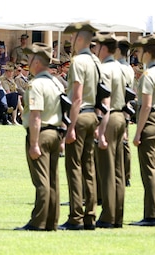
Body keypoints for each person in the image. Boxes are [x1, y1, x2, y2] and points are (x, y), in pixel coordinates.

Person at [15, 42, 65, 231]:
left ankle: (39, 221)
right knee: (53, 179)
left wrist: (34, 143)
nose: (28, 62)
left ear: (36, 61)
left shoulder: (36, 85)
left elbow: (35, 115)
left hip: (41, 133)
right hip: (55, 132)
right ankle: (52, 220)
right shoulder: (56, 82)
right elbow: (64, 110)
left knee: (41, 180)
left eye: (29, 59)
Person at [61, 23, 101, 231]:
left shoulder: (78, 62)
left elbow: (76, 98)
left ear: (80, 39)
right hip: (92, 115)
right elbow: (102, 94)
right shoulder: (95, 61)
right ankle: (90, 215)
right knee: (89, 168)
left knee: (74, 167)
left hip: (80, 115)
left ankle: (76, 216)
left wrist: (70, 127)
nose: (70, 42)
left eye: (73, 38)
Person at [95, 33, 134, 229]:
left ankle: (108, 216)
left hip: (109, 118)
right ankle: (118, 214)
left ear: (103, 48)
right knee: (118, 170)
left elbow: (105, 101)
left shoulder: (103, 70)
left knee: (107, 169)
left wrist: (100, 129)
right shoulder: (122, 68)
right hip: (121, 117)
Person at [131, 34, 155, 227]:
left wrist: (138, 132)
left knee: (148, 170)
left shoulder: (148, 75)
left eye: (138, 50)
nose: (136, 54)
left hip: (151, 118)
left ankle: (152, 214)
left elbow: (145, 106)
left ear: (147, 52)